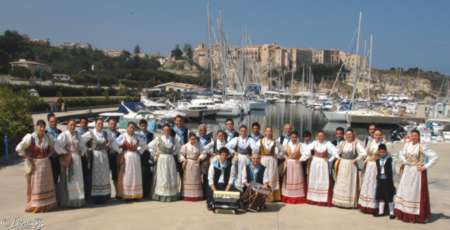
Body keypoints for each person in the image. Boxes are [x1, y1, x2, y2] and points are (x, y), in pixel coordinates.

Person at [394, 130, 438, 223]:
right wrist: (404, 161)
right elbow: (401, 153)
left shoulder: (422, 146)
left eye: (415, 136)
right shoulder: (407, 145)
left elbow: (434, 156)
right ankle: (404, 213)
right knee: (405, 191)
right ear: (410, 136)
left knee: (415, 193)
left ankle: (415, 216)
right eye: (412, 135)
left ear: (418, 137)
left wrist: (425, 166)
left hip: (416, 172)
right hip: (407, 171)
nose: (413, 137)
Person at [16, 120, 57, 213]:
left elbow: (54, 146)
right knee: (36, 186)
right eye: (40, 126)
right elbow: (19, 148)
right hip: (35, 165)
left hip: (46, 164)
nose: (42, 128)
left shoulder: (48, 137)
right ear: (36, 127)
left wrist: (48, 154)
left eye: (43, 126)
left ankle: (46, 205)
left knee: (45, 186)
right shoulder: (30, 137)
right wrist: (28, 157)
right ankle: (36, 206)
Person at [332, 129, 367, 208]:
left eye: (350, 135)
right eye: (347, 135)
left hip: (351, 165)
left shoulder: (356, 144)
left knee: (350, 182)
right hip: (343, 164)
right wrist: (338, 157)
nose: (349, 136)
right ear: (345, 135)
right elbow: (335, 151)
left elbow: (364, 153)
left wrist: (357, 159)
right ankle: (339, 201)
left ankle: (349, 202)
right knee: (341, 181)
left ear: (353, 135)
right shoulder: (343, 143)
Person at [54, 119, 85, 208]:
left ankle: (78, 201)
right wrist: (65, 152)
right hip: (68, 160)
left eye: (74, 125)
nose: (72, 126)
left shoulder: (78, 135)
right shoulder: (64, 135)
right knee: (68, 180)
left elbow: (83, 146)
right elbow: (57, 145)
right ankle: (68, 202)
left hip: (77, 160)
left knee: (77, 180)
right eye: (71, 125)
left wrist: (82, 152)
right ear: (67, 125)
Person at [80, 118, 112, 204]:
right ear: (95, 124)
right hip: (95, 156)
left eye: (101, 123)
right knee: (96, 176)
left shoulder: (106, 133)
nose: (100, 125)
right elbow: (81, 140)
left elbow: (113, 141)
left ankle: (105, 196)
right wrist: (86, 150)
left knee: (104, 176)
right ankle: (96, 197)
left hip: (104, 156)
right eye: (98, 123)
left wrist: (111, 146)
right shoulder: (91, 133)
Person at [148, 124, 182, 202]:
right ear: (163, 131)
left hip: (170, 159)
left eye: (168, 130)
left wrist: (174, 154)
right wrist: (155, 154)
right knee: (162, 177)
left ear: (170, 131)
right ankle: (161, 195)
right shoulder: (158, 138)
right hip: (162, 160)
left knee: (171, 177)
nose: (167, 131)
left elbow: (178, 148)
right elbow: (149, 146)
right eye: (165, 130)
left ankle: (171, 195)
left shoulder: (173, 139)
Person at [114, 122, 147, 201]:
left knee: (136, 175)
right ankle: (127, 195)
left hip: (136, 158)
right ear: (127, 128)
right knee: (127, 176)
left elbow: (145, 144)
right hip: (127, 157)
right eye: (130, 127)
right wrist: (120, 151)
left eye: (133, 128)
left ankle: (136, 195)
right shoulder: (123, 136)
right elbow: (114, 143)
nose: (132, 129)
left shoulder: (137, 137)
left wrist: (140, 151)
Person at [306, 131, 336, 206]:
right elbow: (306, 149)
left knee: (323, 180)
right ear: (317, 136)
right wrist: (310, 156)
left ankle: (323, 199)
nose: (320, 137)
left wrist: (329, 160)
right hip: (315, 164)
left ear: (324, 136)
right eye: (319, 136)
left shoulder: (327, 143)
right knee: (315, 179)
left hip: (323, 163)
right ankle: (313, 198)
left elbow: (335, 152)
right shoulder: (314, 143)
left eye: (322, 136)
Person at [358, 129, 385, 214]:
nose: (377, 136)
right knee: (368, 183)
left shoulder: (383, 144)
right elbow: (366, 152)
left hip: (378, 165)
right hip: (369, 166)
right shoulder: (371, 142)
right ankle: (366, 204)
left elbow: (384, 155)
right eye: (375, 135)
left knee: (375, 183)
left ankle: (375, 206)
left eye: (379, 135)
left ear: (381, 136)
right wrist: (365, 159)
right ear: (373, 135)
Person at [253, 127, 281, 202]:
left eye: (270, 131)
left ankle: (273, 197)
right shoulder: (260, 141)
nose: (268, 133)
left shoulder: (275, 141)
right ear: (265, 132)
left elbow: (282, 151)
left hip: (272, 161)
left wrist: (277, 155)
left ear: (272, 133)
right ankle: (262, 196)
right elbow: (254, 150)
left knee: (272, 177)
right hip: (263, 160)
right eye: (267, 131)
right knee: (264, 177)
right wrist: (258, 156)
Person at [281, 131, 310, 204]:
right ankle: (288, 196)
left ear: (297, 138)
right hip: (289, 164)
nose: (294, 138)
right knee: (289, 179)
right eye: (292, 137)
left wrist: (301, 159)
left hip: (297, 164)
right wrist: (286, 158)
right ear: (290, 137)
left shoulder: (300, 145)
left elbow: (307, 153)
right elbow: (282, 153)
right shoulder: (287, 144)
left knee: (296, 179)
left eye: (295, 137)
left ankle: (297, 196)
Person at [180, 133, 207, 201]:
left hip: (196, 163)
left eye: (194, 139)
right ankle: (187, 195)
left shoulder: (199, 145)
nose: (193, 140)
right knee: (188, 179)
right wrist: (183, 160)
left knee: (196, 179)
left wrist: (200, 158)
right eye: (192, 139)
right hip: (188, 163)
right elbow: (181, 154)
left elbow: (204, 153)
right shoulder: (185, 146)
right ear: (189, 139)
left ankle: (197, 195)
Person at [226, 125, 252, 191]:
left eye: (244, 131)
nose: (243, 132)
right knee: (236, 172)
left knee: (245, 172)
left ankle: (245, 188)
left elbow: (256, 149)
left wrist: (251, 155)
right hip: (238, 158)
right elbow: (227, 146)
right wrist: (234, 152)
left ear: (246, 131)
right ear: (239, 132)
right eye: (241, 131)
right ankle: (237, 187)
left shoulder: (250, 139)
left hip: (247, 158)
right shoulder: (236, 139)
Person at [374, 144, 396, 219]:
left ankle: (391, 212)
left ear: (386, 151)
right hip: (380, 180)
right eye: (380, 152)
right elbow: (377, 170)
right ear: (378, 152)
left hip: (388, 180)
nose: (382, 153)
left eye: (383, 152)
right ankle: (381, 211)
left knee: (389, 196)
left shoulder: (389, 159)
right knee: (380, 196)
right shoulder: (377, 160)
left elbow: (393, 170)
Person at [137, 119, 154, 199]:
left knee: (148, 173)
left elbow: (153, 145)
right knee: (140, 174)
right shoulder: (137, 134)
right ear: (139, 126)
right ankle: (140, 192)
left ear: (147, 125)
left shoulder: (150, 134)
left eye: (145, 125)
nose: (143, 127)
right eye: (142, 125)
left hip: (148, 155)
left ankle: (147, 192)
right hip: (139, 155)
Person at [106, 118, 121, 198]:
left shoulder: (119, 134)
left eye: (114, 124)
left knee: (116, 175)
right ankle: (106, 193)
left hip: (115, 156)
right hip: (106, 155)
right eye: (111, 123)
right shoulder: (104, 133)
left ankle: (118, 192)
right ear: (108, 124)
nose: (113, 125)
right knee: (105, 175)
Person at [197, 124, 213, 198]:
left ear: (206, 131)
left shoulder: (209, 139)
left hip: (206, 160)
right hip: (196, 158)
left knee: (206, 176)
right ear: (198, 131)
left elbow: (211, 150)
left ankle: (205, 193)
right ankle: (198, 193)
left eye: (204, 130)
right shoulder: (196, 138)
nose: (202, 132)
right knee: (197, 176)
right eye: (201, 130)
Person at [46, 113, 62, 186]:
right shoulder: (45, 133)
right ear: (48, 122)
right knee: (50, 179)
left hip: (59, 159)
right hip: (50, 159)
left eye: (55, 121)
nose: (54, 123)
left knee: (58, 178)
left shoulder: (60, 132)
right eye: (52, 121)